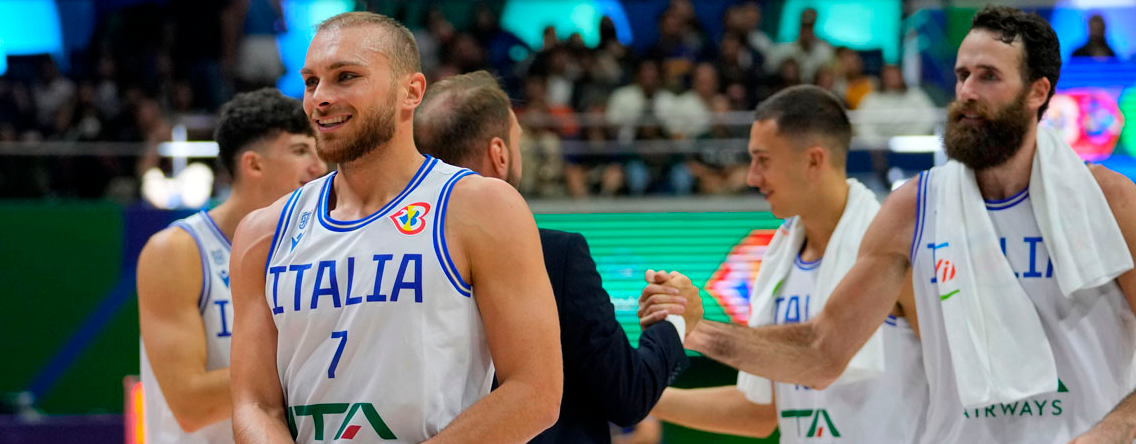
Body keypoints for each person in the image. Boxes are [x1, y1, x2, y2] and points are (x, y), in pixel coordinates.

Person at [642, 6, 1136, 443]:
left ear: (1038, 92)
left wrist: (1109, 434)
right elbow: (820, 353)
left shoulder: (1109, 201)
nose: (966, 91)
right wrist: (698, 328)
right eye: (962, 75)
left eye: (988, 76)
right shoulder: (913, 210)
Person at [227, 12, 563, 444]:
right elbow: (254, 405)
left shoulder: (480, 206)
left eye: (346, 76)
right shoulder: (263, 232)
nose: (320, 98)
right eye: (311, 82)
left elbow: (536, 391)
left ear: (411, 91)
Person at [413, 70, 693, 444]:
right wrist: (674, 320)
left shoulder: (393, 258)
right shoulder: (556, 256)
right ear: (499, 154)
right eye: (518, 141)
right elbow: (628, 395)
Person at [644, 85, 928, 443]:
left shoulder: (897, 251)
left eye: (763, 160)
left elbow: (820, 358)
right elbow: (760, 413)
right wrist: (639, 394)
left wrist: (695, 328)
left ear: (813, 160)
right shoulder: (780, 258)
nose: (751, 177)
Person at [137, 87, 326, 443]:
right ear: (253, 164)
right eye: (301, 151)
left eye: (319, 152)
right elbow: (191, 404)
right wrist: (319, 361)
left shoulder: (315, 248)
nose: (319, 167)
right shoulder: (177, 250)